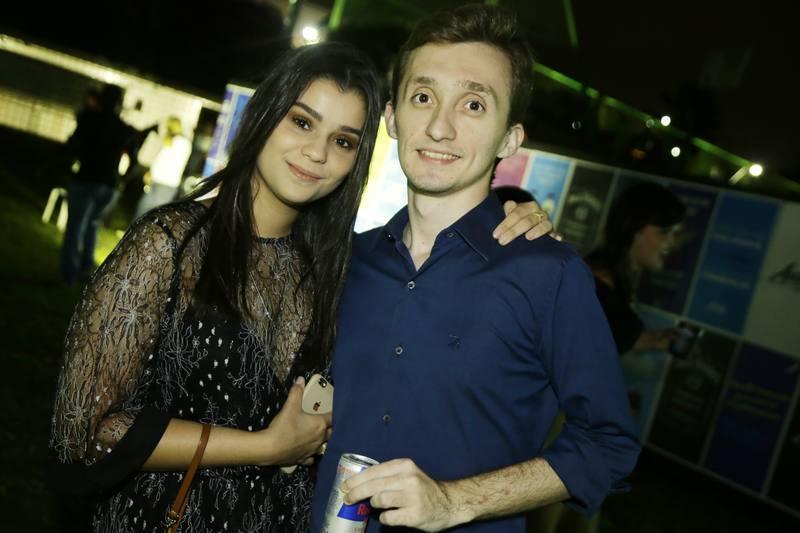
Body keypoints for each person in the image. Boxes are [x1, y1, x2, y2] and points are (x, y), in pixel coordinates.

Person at [49, 42, 550, 532]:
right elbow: (83, 433)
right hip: (168, 515)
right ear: (265, 115)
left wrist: (513, 226)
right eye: (302, 122)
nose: (317, 152)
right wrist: (266, 447)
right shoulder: (171, 244)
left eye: (344, 141)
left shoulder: (342, 267)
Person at [311, 5, 640, 532]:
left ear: (510, 138)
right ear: (392, 118)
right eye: (423, 97)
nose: (439, 127)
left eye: (473, 105)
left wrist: (454, 500)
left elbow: (608, 444)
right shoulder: (346, 260)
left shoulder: (547, 274)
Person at [58, 84, 154, 284]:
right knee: (92, 224)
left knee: (75, 227)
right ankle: (87, 268)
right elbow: (134, 160)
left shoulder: (88, 120)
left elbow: (71, 147)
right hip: (109, 185)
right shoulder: (124, 129)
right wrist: (122, 180)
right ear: (119, 103)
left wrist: (67, 170)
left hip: (85, 178)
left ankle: (69, 273)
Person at [585, 181, 686, 354]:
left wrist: (647, 340)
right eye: (664, 232)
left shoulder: (607, 281)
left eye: (674, 233)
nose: (671, 243)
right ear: (634, 228)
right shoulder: (599, 288)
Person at [133, 116, 192, 219]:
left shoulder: (177, 142)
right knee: (151, 211)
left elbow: (163, 161)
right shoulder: (183, 142)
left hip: (164, 183)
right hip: (165, 183)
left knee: (146, 211)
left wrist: (151, 173)